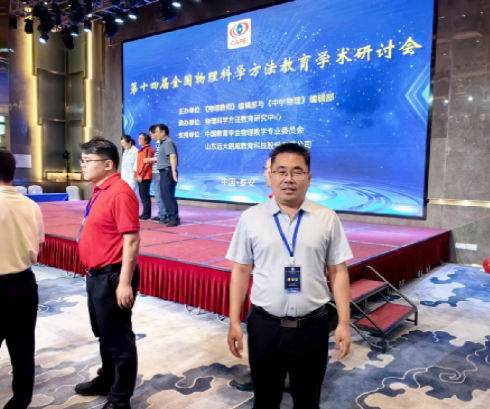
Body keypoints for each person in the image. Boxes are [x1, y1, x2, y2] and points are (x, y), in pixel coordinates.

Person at [226, 143, 353, 409]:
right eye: (281, 171)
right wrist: (234, 321)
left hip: (312, 327)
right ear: (270, 175)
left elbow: (338, 271)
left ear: (308, 177)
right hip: (265, 326)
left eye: (297, 171)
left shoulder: (327, 218)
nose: (289, 178)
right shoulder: (251, 218)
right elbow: (240, 270)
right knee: (265, 400)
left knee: (308, 400)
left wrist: (343, 322)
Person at [75, 138, 141, 409]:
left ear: (108, 164)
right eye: (82, 161)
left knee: (119, 340)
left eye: (87, 161)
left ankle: (120, 399)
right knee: (105, 333)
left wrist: (124, 283)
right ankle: (107, 379)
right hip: (96, 274)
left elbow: (132, 240)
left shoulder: (120, 193)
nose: (82, 166)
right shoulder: (100, 190)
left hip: (113, 276)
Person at [0, 149, 44, 409]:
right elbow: (38, 248)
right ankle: (19, 403)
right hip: (23, 284)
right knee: (23, 351)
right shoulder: (31, 205)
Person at [230, 156, 273, 392]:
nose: (266, 174)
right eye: (267, 169)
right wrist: (234, 320)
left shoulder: (317, 215)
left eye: (270, 169)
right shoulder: (257, 214)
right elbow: (241, 268)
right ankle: (262, 373)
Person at [145, 124, 180, 227]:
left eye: (156, 132)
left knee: (167, 195)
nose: (154, 135)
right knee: (165, 195)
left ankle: (173, 218)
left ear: (163, 132)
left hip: (168, 171)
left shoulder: (168, 142)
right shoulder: (163, 143)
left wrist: (173, 171)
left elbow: (173, 156)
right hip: (164, 172)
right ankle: (171, 216)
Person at [135, 133, 154, 221]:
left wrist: (140, 175)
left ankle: (146, 214)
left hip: (145, 176)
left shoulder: (147, 150)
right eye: (139, 138)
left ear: (146, 140)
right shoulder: (142, 150)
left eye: (141, 138)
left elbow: (145, 164)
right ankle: (145, 213)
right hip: (141, 175)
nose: (139, 140)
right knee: (142, 195)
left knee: (145, 196)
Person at [150, 134, 167, 224]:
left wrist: (149, 159)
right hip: (156, 172)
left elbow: (161, 158)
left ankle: (162, 215)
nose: (151, 136)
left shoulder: (161, 144)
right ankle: (162, 214)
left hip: (158, 172)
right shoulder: (158, 144)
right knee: (158, 194)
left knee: (159, 194)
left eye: (152, 133)